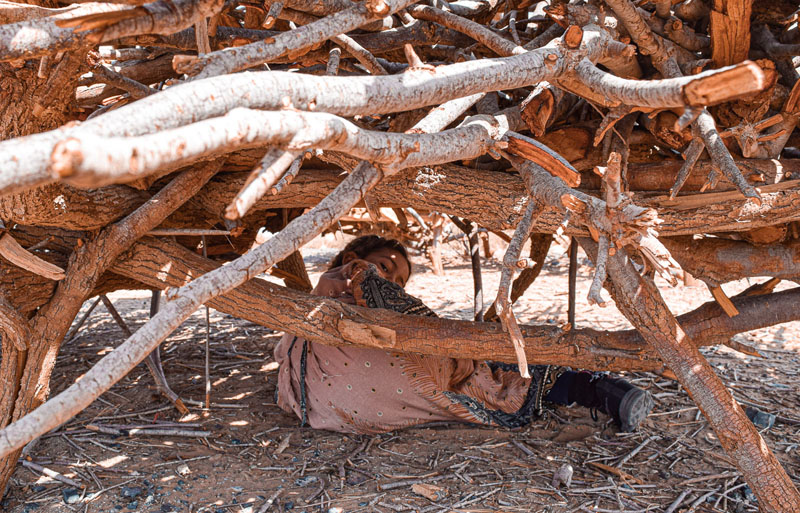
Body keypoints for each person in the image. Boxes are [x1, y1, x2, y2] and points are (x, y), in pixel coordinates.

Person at [275, 235, 654, 434]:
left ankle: (594, 390)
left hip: (327, 412)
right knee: (487, 374)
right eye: (385, 266)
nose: (390, 279)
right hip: (354, 388)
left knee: (478, 367)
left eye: (400, 280)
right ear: (353, 256)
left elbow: (282, 352)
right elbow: (379, 296)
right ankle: (592, 389)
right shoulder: (346, 276)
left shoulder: (325, 303)